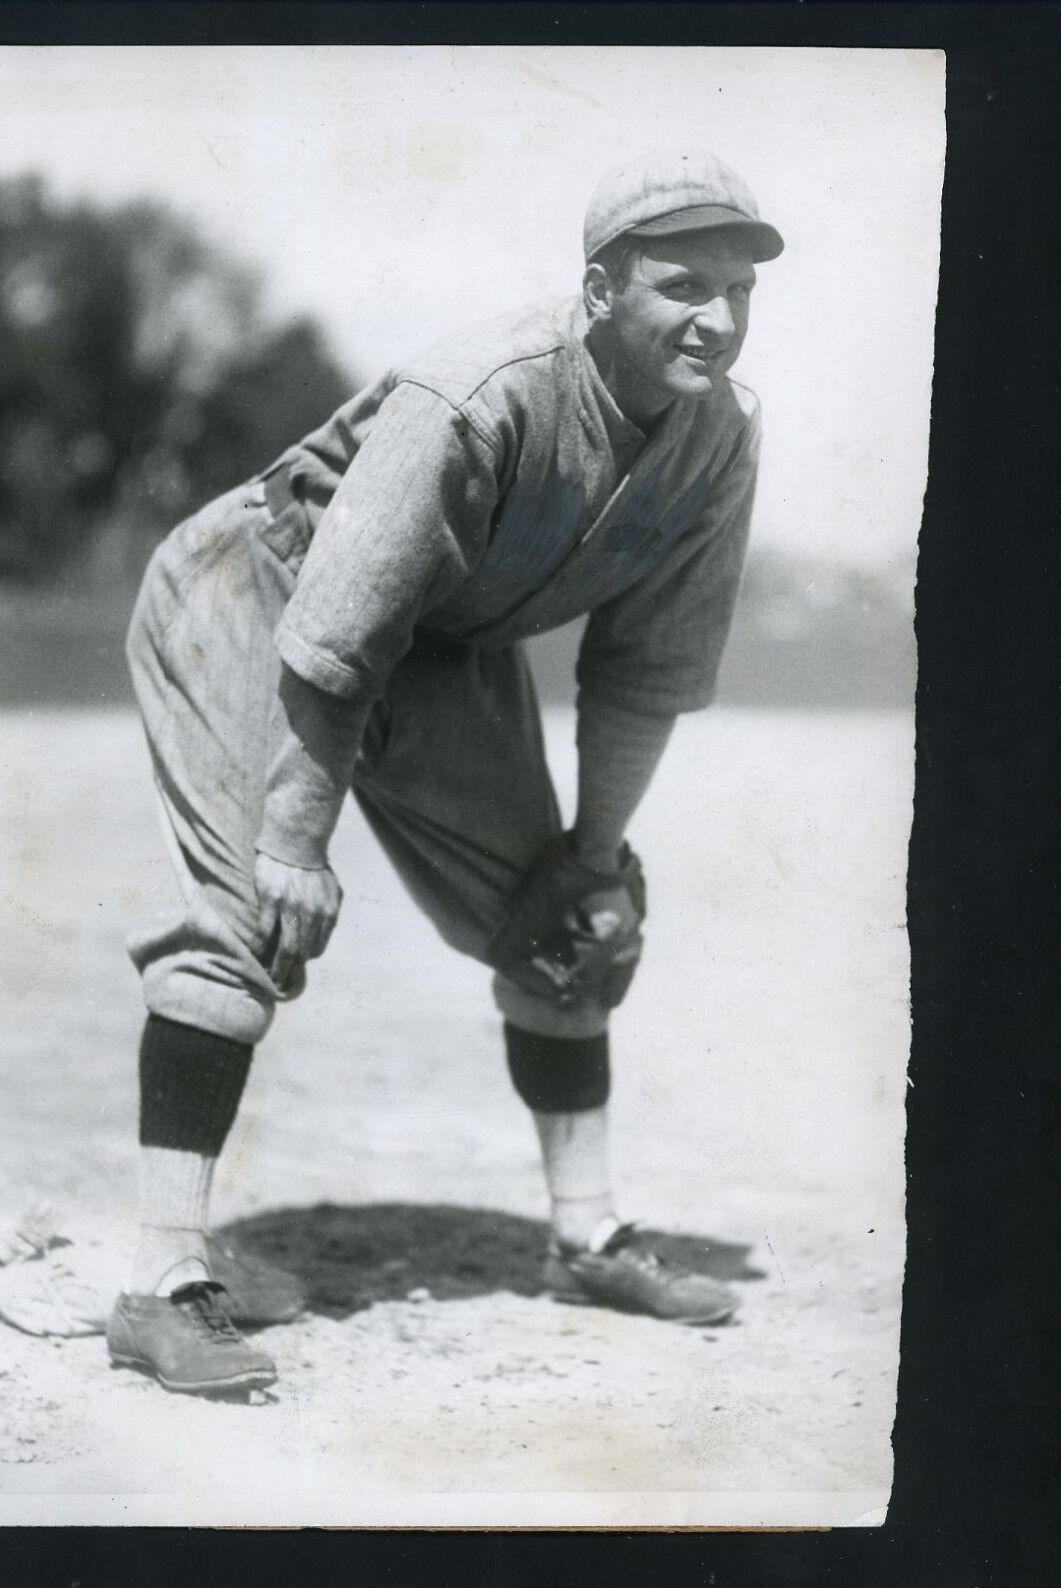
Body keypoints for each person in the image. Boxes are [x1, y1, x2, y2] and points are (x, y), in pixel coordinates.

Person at [106, 150, 785, 1395]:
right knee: (247, 918)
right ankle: (161, 1279)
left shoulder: (721, 437)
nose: (721, 318)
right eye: (684, 284)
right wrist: (297, 838)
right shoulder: (484, 391)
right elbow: (332, 632)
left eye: (740, 291)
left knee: (569, 926)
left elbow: (641, 670)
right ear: (597, 290)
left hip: (437, 642)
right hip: (260, 590)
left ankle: (587, 1231)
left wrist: (593, 857)